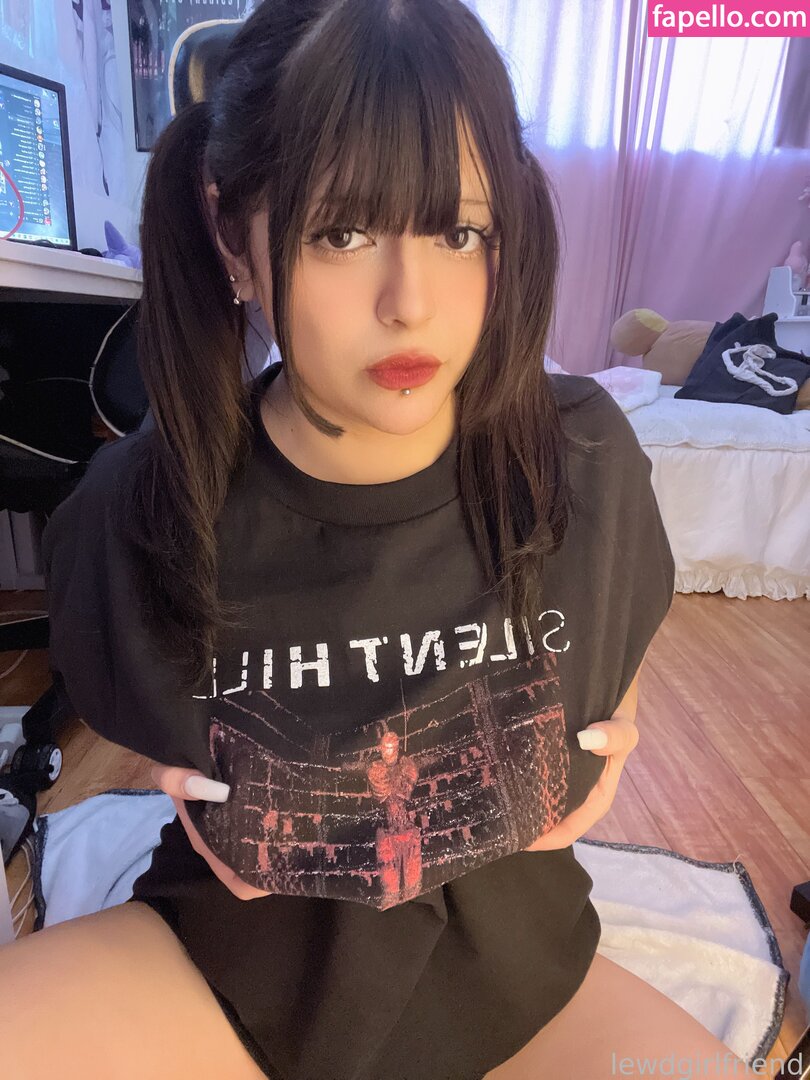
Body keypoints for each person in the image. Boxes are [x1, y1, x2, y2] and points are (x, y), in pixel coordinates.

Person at [0, 1, 756, 1077]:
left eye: (458, 232)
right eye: (343, 233)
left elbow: (609, 646)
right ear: (233, 236)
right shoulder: (142, 509)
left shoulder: (579, 463)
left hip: (518, 970)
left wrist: (616, 714)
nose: (411, 304)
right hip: (232, 962)